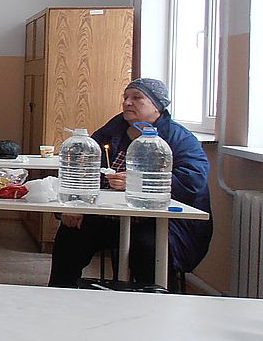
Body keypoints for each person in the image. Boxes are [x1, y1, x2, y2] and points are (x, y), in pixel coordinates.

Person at [48, 78, 213, 288]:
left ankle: (155, 301)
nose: (127, 102)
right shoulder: (111, 130)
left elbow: (193, 180)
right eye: (125, 97)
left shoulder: (179, 138)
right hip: (110, 214)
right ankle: (60, 295)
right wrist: (73, 205)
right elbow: (81, 170)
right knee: (71, 236)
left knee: (147, 248)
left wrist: (139, 182)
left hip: (158, 220)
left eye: (137, 97)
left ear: (157, 105)